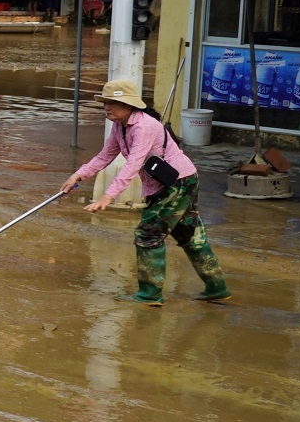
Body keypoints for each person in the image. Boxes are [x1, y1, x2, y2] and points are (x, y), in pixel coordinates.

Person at [63, 78, 228, 306]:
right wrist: (78, 175)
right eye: (105, 103)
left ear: (130, 105)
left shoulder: (144, 126)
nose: (107, 108)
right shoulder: (119, 127)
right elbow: (105, 156)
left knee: (148, 234)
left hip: (178, 183)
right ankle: (217, 287)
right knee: (189, 235)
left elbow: (132, 164)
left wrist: (108, 196)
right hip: (169, 184)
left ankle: (150, 294)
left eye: (112, 103)